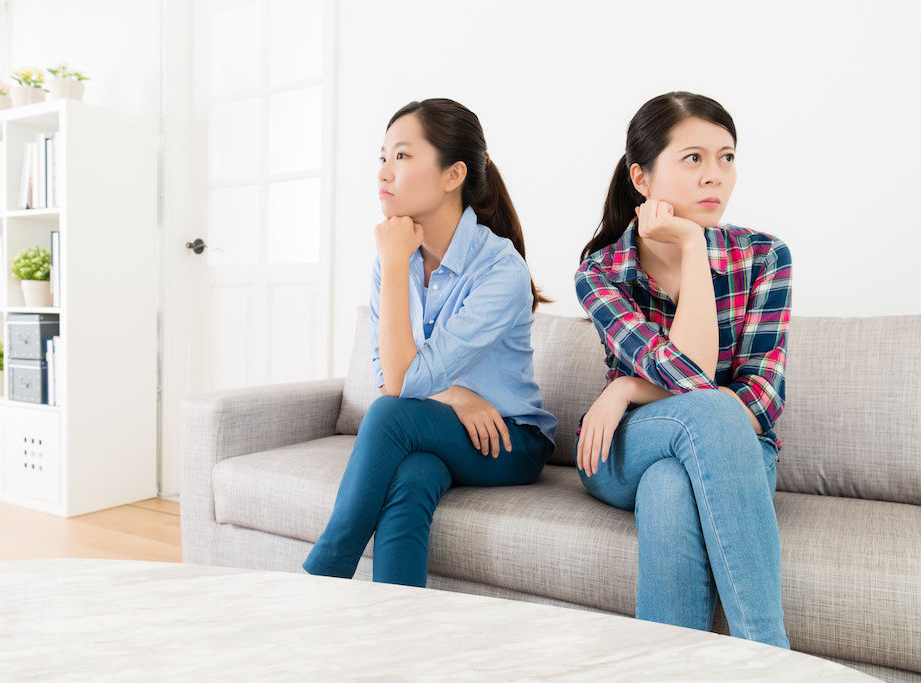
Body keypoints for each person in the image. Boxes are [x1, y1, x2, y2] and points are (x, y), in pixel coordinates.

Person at [303, 98, 557, 587]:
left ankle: (321, 577)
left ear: (452, 174)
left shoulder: (501, 270)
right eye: (382, 157)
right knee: (412, 476)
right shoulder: (393, 255)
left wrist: (395, 264)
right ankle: (400, 636)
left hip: (511, 440)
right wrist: (453, 395)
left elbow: (395, 391)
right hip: (440, 428)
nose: (383, 173)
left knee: (388, 416)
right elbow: (389, 374)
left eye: (401, 156)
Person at [573, 91, 793, 648]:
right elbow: (693, 379)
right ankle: (769, 657)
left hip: (737, 445)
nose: (714, 176)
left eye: (727, 157)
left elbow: (762, 401)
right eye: (693, 158)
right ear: (641, 178)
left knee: (671, 486)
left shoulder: (766, 256)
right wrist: (695, 251)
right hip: (623, 446)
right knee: (710, 408)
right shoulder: (602, 271)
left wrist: (626, 385)